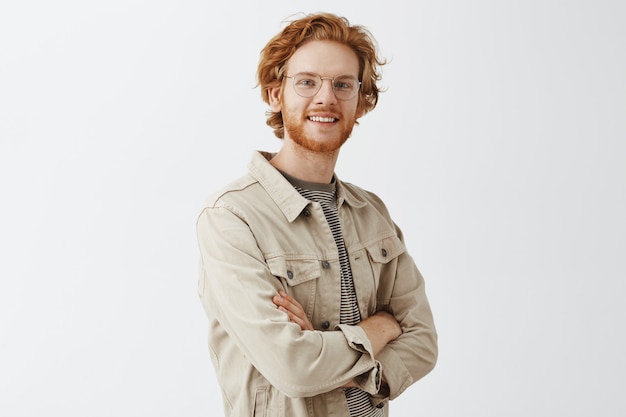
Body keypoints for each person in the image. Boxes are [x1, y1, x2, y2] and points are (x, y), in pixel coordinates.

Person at [196, 12, 437, 417]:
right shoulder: (231, 217)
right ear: (276, 94)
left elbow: (424, 341)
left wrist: (329, 354)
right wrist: (378, 329)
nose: (326, 98)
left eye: (343, 85)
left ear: (361, 103)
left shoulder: (372, 212)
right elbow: (293, 367)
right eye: (307, 82)